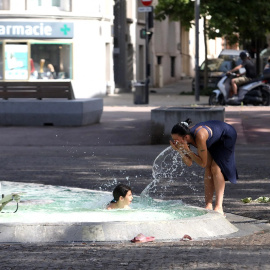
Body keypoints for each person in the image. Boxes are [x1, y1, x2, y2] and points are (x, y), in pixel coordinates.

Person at [170, 118, 238, 216]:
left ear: (185, 137)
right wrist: (180, 150)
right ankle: (208, 205)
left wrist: (187, 150)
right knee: (208, 169)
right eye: (173, 140)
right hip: (213, 139)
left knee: (215, 168)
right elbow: (189, 163)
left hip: (226, 136)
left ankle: (219, 207)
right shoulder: (185, 139)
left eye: (176, 140)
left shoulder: (200, 136)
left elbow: (202, 163)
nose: (175, 142)